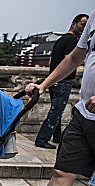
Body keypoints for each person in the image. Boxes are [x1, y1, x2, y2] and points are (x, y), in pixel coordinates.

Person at [0, 9, 95, 186]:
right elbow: (74, 58)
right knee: (62, 171)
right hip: (85, 113)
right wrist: (43, 84)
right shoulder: (93, 16)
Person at [35, 14, 88, 149]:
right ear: (73, 24)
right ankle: (42, 139)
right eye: (82, 24)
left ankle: (57, 137)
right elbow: (70, 60)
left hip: (55, 81)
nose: (84, 28)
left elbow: (52, 61)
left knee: (56, 109)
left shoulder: (60, 40)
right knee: (56, 111)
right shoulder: (72, 41)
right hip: (63, 81)